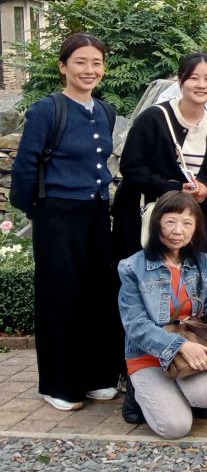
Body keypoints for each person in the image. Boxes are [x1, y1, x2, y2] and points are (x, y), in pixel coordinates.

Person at [11, 33, 121, 410]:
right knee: (60, 298)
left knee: (97, 295)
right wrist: (37, 211)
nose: (90, 70)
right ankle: (59, 385)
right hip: (56, 213)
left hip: (94, 212)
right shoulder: (48, 109)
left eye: (97, 63)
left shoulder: (105, 111)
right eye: (81, 62)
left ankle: (97, 377)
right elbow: (25, 167)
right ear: (63, 66)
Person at [117, 191, 207, 437]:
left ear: (196, 228)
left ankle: (176, 391)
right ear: (156, 222)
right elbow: (136, 325)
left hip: (189, 350)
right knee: (176, 428)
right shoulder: (132, 267)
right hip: (148, 354)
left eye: (187, 223)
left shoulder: (203, 262)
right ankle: (136, 393)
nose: (177, 230)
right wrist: (179, 345)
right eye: (170, 221)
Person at [114, 53, 207, 261]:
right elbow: (132, 168)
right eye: (193, 78)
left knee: (185, 286)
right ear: (180, 81)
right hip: (142, 220)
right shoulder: (152, 119)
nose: (201, 85)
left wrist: (206, 188)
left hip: (188, 228)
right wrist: (176, 188)